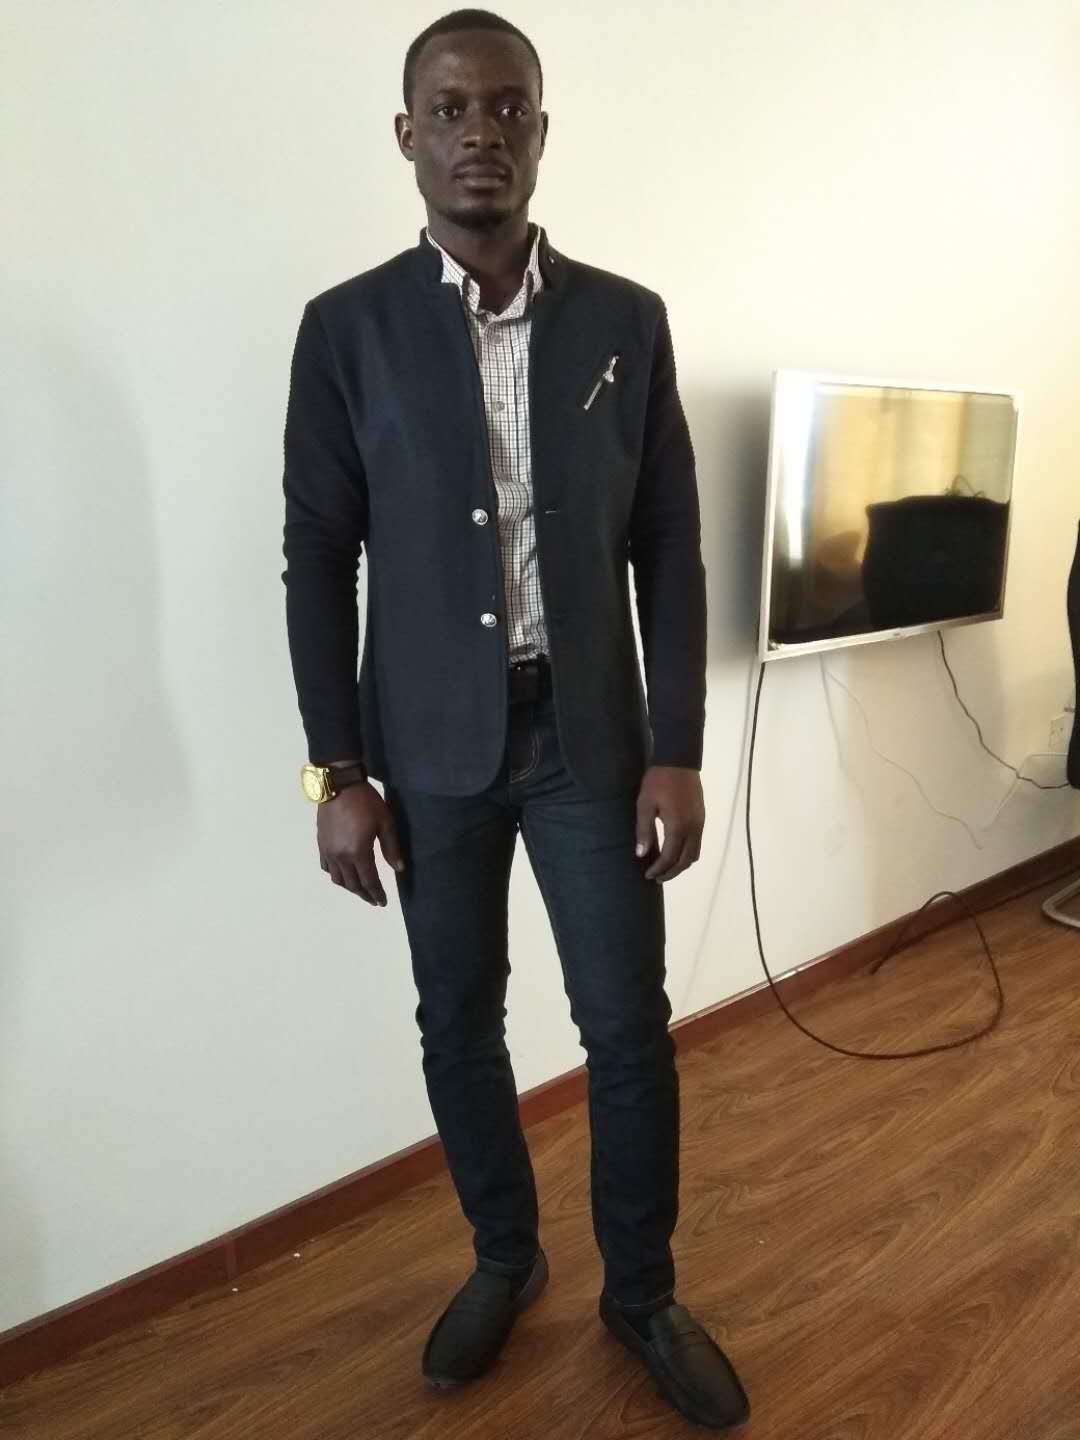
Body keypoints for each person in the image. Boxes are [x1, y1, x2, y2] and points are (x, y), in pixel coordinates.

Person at [281, 9, 750, 1430]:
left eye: (507, 107)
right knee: (458, 1023)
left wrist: (678, 746)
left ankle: (642, 1292)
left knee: (626, 1027)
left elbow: (670, 544)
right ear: (407, 134)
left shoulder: (625, 321)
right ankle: (505, 1257)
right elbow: (318, 556)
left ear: (541, 131)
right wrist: (334, 774)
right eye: (451, 108)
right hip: (428, 757)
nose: (479, 132)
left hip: (590, 745)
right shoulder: (346, 330)